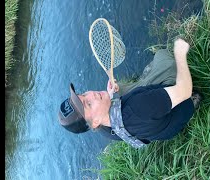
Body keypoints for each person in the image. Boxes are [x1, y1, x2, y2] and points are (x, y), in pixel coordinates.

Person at [58, 38, 202, 147]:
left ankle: (153, 86)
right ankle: (193, 100)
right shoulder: (138, 107)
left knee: (119, 88)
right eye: (88, 104)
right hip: (181, 108)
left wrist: (110, 94)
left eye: (83, 94)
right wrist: (180, 54)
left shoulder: (103, 128)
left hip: (160, 129)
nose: (92, 95)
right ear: (94, 122)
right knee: (163, 56)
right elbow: (184, 90)